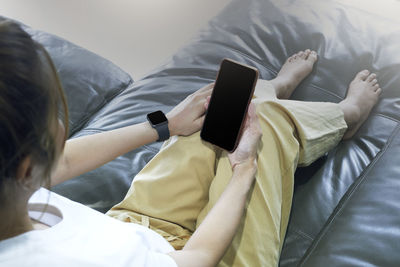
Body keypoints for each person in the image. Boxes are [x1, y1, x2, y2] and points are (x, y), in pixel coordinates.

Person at [0, 19, 381, 267]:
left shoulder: (15, 183)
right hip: (195, 260)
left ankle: (271, 89)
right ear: (26, 166)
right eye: (55, 119)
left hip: (133, 226)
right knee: (265, 125)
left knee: (219, 115)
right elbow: (196, 258)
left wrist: (165, 125)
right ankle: (344, 117)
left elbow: (58, 163)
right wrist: (243, 169)